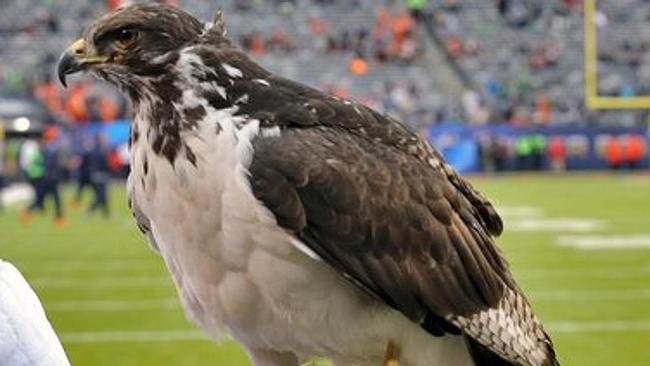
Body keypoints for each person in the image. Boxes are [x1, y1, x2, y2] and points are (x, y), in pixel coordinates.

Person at [87, 134, 111, 217]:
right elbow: (105, 164)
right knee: (101, 195)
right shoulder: (101, 151)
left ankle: (106, 213)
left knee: (101, 195)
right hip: (100, 175)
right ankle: (91, 210)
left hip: (94, 175)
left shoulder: (92, 150)